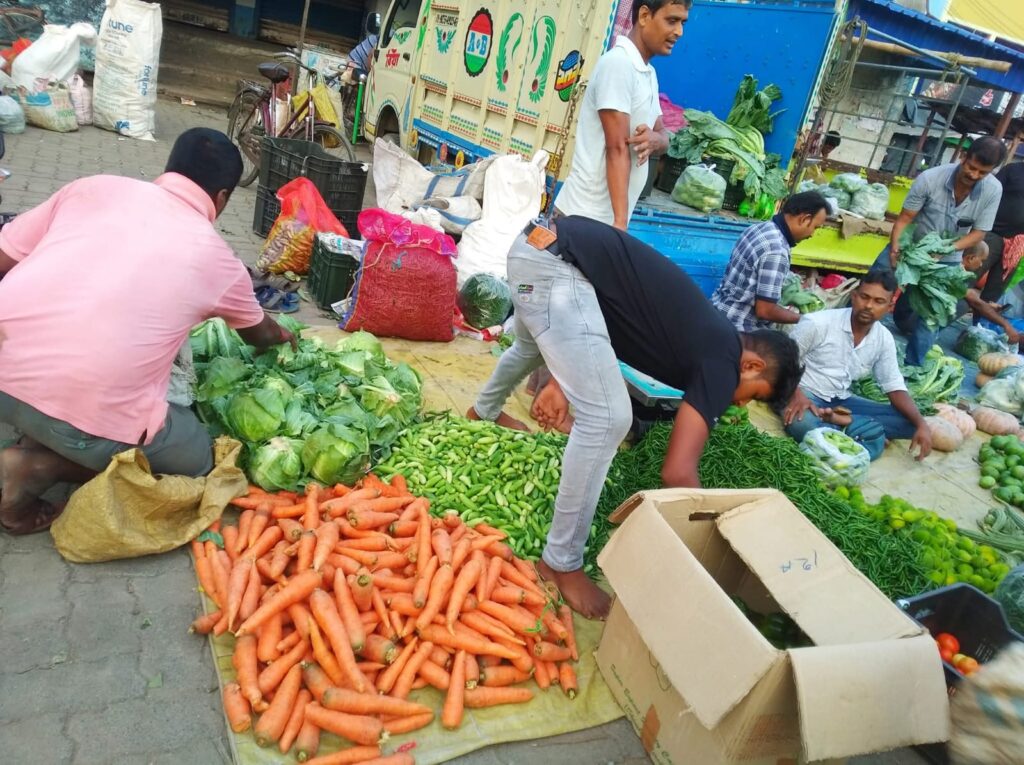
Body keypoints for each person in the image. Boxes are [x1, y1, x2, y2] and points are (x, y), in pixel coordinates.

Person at [466, 215, 803, 618]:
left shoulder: (707, 335)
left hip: (534, 251)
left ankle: (481, 411)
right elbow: (677, 472)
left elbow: (591, 320)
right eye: (754, 396)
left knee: (528, 347)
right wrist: (711, 539)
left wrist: (560, 380)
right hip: (553, 268)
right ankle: (560, 562)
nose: (742, 406)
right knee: (609, 418)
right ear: (751, 367)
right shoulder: (724, 361)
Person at [0, 128, 294, 535]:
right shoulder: (216, 257)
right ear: (223, 198)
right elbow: (258, 334)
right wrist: (284, 336)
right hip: (79, 404)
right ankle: (35, 467)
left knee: (55, 398)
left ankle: (41, 431)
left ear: (169, 166)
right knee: (197, 461)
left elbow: (4, 258)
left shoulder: (91, 187)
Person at [552, 0, 689, 229]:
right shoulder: (618, 65)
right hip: (584, 219)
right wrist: (619, 226)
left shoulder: (647, 73)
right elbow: (616, 148)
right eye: (672, 20)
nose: (679, 32)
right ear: (644, 16)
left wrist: (656, 140)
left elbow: (662, 133)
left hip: (601, 223)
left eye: (683, 22)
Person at [875, 136, 1005, 365]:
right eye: (971, 167)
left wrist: (944, 250)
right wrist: (896, 249)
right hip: (910, 247)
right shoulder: (930, 178)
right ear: (963, 157)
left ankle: (912, 369)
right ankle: (845, 338)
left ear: (992, 171)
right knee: (875, 285)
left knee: (933, 316)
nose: (974, 175)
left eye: (982, 172)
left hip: (948, 257)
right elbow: (905, 219)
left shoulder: (993, 191)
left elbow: (979, 234)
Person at [780, 270, 932, 461]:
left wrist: (921, 425)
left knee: (911, 422)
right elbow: (782, 362)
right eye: (864, 297)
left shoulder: (883, 338)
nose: (868, 306)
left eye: (878, 301)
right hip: (805, 395)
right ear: (854, 296)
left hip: (841, 402)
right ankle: (861, 432)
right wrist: (797, 395)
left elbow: (895, 387)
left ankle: (842, 424)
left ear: (889, 306)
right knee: (802, 424)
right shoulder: (818, 323)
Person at [711, 191, 830, 332]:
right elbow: (765, 311)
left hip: (718, 311)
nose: (812, 234)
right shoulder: (776, 250)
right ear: (804, 219)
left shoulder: (760, 228)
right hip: (739, 327)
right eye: (815, 227)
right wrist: (807, 320)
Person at [896, 240, 1022, 346]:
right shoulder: (953, 271)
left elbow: (973, 297)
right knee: (962, 304)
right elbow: (974, 301)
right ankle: (923, 334)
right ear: (970, 258)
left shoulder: (951, 264)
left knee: (967, 298)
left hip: (904, 314)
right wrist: (1007, 326)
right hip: (908, 319)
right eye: (981, 260)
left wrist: (987, 305)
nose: (981, 265)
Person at [978, 160, 1024, 304]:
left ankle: (979, 325)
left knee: (995, 290)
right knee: (967, 278)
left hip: (1018, 243)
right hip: (993, 234)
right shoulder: (1013, 170)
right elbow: (989, 194)